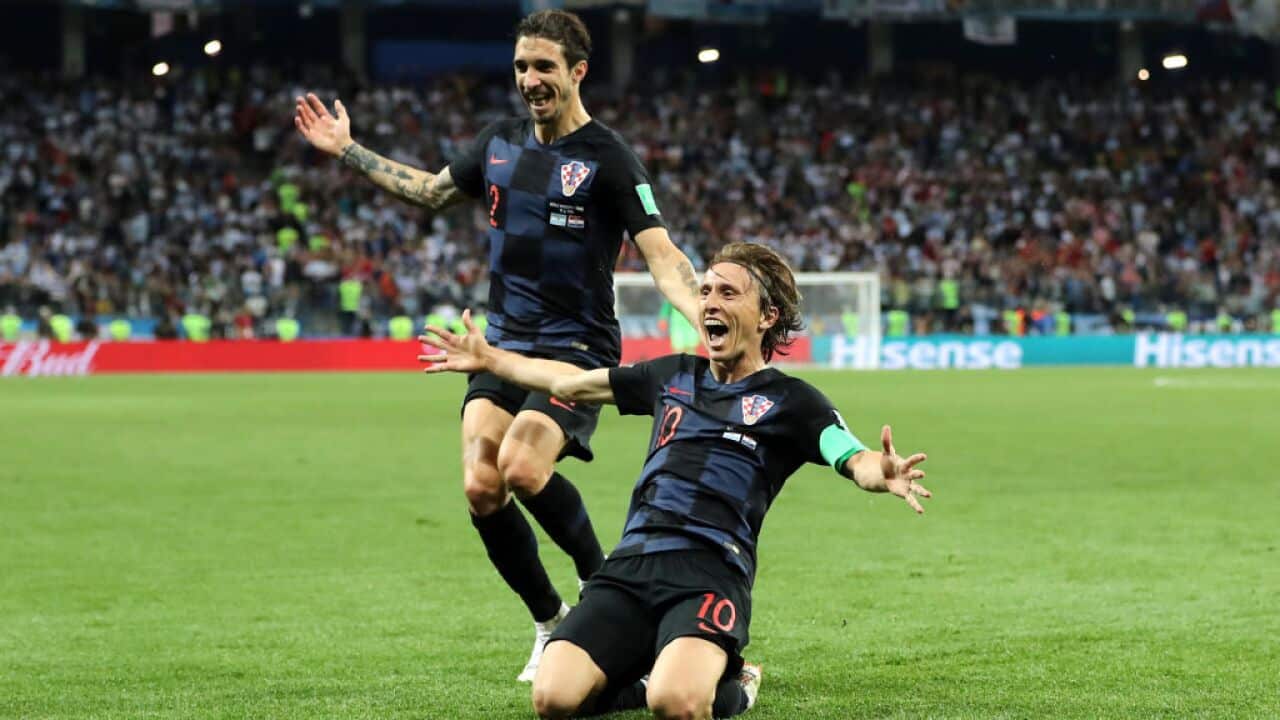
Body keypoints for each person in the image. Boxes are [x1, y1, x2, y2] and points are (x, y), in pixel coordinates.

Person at [294, 9, 704, 681]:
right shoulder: (496, 144)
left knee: (521, 467)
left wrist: (702, 312)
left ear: (577, 72)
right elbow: (428, 192)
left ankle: (605, 594)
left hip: (574, 350)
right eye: (520, 66)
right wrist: (347, 149)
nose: (530, 80)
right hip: (497, 346)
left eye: (544, 67)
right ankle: (550, 621)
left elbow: (661, 254)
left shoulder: (609, 157)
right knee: (481, 485)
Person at [419, 242, 933, 719]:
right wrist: (491, 361)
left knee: (677, 703)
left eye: (728, 293)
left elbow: (849, 454)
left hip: (709, 569)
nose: (709, 301)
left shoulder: (793, 401)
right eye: (706, 289)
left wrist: (878, 470)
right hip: (632, 562)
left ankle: (734, 679)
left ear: (767, 317)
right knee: (553, 698)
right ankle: (659, 664)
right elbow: (567, 382)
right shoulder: (670, 375)